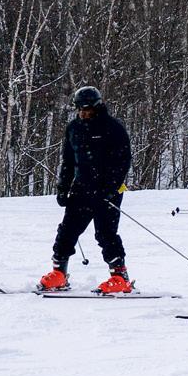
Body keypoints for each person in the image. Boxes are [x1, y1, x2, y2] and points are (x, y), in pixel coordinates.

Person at [38, 86, 133, 294]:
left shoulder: (113, 128)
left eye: (87, 109)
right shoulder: (74, 128)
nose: (83, 113)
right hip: (81, 189)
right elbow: (68, 162)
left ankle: (120, 277)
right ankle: (59, 274)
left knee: (105, 234)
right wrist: (63, 188)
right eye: (80, 109)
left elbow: (123, 161)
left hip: (107, 191)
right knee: (67, 230)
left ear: (97, 107)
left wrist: (110, 188)